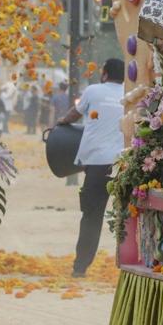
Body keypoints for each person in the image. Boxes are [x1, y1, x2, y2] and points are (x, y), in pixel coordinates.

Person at [55, 58, 127, 278]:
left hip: (97, 164)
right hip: (124, 164)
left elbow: (74, 115)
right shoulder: (129, 92)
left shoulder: (93, 91)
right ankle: (129, 265)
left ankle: (80, 267)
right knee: (128, 215)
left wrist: (61, 122)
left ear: (104, 73)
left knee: (92, 216)